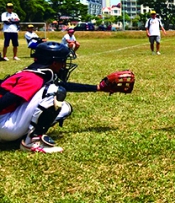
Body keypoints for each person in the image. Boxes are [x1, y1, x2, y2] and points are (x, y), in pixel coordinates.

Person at [0, 42, 133, 153]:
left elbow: (65, 85)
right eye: (62, 61)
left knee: (64, 108)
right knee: (54, 91)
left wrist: (97, 88)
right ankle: (32, 142)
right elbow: (4, 102)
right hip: (5, 126)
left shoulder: (36, 73)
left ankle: (26, 135)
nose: (64, 65)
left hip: (6, 124)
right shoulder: (33, 79)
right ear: (53, 62)